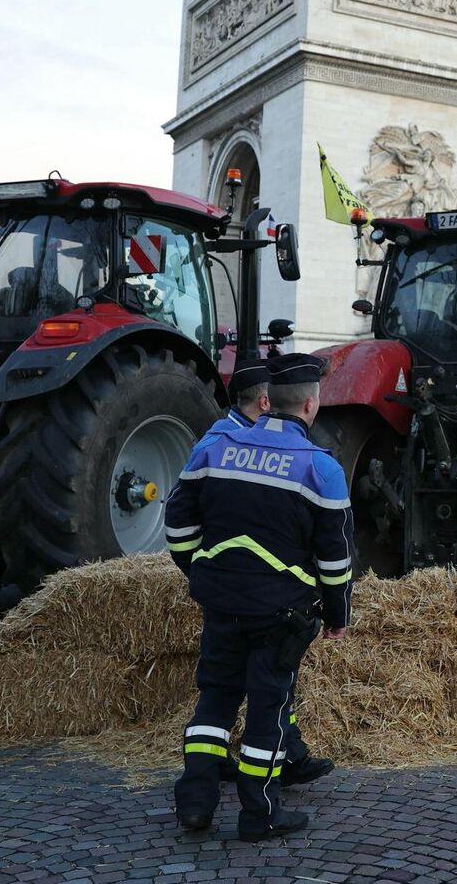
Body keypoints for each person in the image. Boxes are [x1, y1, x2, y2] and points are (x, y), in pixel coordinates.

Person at [166, 352, 354, 841]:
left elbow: (178, 525)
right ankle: (259, 814)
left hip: (221, 602)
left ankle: (195, 805)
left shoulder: (216, 447)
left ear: (270, 401)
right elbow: (335, 561)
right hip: (279, 614)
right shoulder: (321, 469)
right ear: (310, 405)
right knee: (268, 710)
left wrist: (202, 573)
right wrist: (338, 615)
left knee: (215, 701)